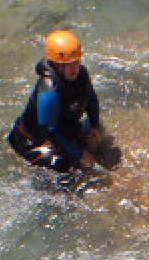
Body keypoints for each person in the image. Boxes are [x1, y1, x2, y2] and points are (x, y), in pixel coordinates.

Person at [8, 29, 105, 186]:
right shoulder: (49, 90)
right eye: (67, 64)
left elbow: (91, 99)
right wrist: (80, 154)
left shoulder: (82, 75)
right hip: (35, 141)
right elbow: (50, 131)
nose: (74, 68)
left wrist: (94, 125)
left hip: (63, 127)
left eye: (76, 62)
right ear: (56, 64)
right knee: (63, 168)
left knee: (99, 131)